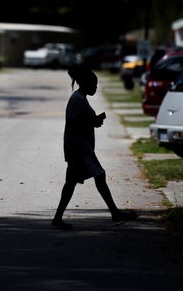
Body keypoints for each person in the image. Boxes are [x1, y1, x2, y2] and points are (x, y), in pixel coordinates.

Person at [52, 63, 138, 230]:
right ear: (83, 83)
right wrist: (92, 121)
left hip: (80, 147)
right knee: (99, 175)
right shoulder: (77, 100)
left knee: (71, 183)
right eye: (93, 84)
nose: (96, 88)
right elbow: (72, 121)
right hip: (79, 148)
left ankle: (58, 218)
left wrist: (93, 122)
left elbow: (80, 121)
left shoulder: (81, 99)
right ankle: (114, 212)